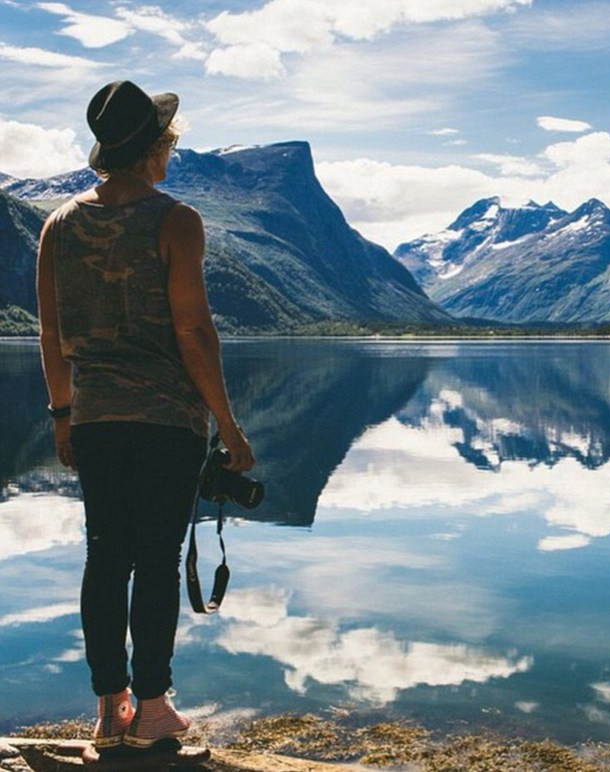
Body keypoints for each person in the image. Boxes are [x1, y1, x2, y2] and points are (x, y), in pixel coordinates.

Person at [36, 80, 254, 752]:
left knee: (105, 558)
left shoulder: (58, 224)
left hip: (95, 420)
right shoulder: (175, 220)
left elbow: (50, 334)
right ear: (152, 148)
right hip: (166, 422)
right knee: (157, 561)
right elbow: (193, 331)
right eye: (169, 142)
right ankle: (154, 709)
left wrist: (63, 416)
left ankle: (109, 711)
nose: (173, 152)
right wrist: (229, 425)